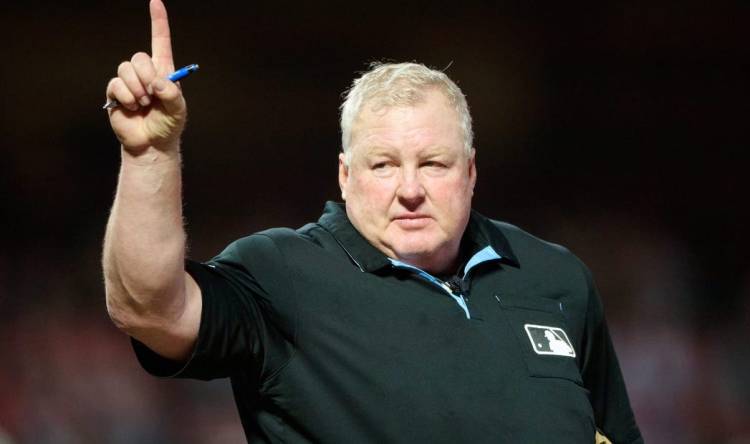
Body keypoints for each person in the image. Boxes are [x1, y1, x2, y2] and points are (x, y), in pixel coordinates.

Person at [102, 1, 644, 443]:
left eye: (433, 163)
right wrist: (150, 155)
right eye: (383, 165)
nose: (410, 190)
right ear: (344, 174)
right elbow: (148, 306)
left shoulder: (555, 277)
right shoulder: (281, 275)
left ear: (472, 171)